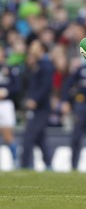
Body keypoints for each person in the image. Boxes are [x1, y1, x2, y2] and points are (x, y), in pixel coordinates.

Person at [60, 59, 86, 171]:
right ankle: (74, 165)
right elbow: (67, 85)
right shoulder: (80, 70)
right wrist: (65, 101)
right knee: (76, 137)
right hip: (81, 106)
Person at [20, 40, 53, 170]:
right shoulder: (34, 64)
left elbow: (45, 86)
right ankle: (49, 163)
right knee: (40, 138)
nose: (31, 48)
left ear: (41, 49)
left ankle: (24, 164)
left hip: (42, 107)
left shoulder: (46, 64)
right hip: (37, 107)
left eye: (34, 46)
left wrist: (34, 99)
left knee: (29, 135)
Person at [0, 45, 20, 168]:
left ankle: (15, 160)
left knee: (8, 135)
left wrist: (5, 92)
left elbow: (17, 87)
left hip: (6, 104)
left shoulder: (10, 68)